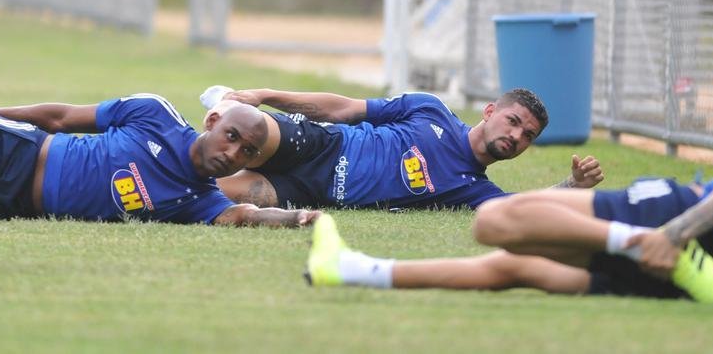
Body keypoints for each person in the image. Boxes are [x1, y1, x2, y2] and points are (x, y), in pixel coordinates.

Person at [304, 122, 713, 302]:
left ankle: (633, 239)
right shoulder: (432, 120)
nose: (517, 138)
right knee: (517, 268)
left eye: (526, 132)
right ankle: (350, 269)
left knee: (497, 223)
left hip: (692, 226)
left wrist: (672, 234)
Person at [0, 93, 322, 230]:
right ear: (214, 120)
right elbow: (60, 116)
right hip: (10, 149)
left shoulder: (199, 201)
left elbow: (245, 216)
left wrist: (299, 217)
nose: (232, 154)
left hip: (7, 203)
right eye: (232, 137)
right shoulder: (154, 115)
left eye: (247, 153)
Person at [201, 86, 603, 211]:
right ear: (491, 111)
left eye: (527, 136)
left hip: (313, 193)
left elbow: (519, 208)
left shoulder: (473, 189)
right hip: (320, 147)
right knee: (247, 126)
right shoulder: (431, 111)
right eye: (514, 122)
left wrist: (571, 186)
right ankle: (223, 106)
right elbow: (343, 109)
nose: (517, 136)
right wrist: (264, 94)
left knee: (208, 195)